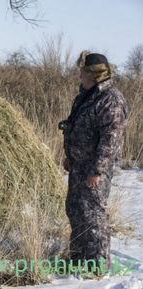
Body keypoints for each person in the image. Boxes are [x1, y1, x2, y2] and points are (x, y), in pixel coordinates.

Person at [59, 51, 128, 274]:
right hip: (78, 166)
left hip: (94, 170)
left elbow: (111, 139)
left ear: (93, 74)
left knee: (93, 216)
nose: (79, 75)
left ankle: (97, 266)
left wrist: (97, 170)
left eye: (82, 72)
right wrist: (70, 157)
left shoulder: (111, 99)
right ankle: (78, 259)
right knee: (75, 210)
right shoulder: (85, 95)